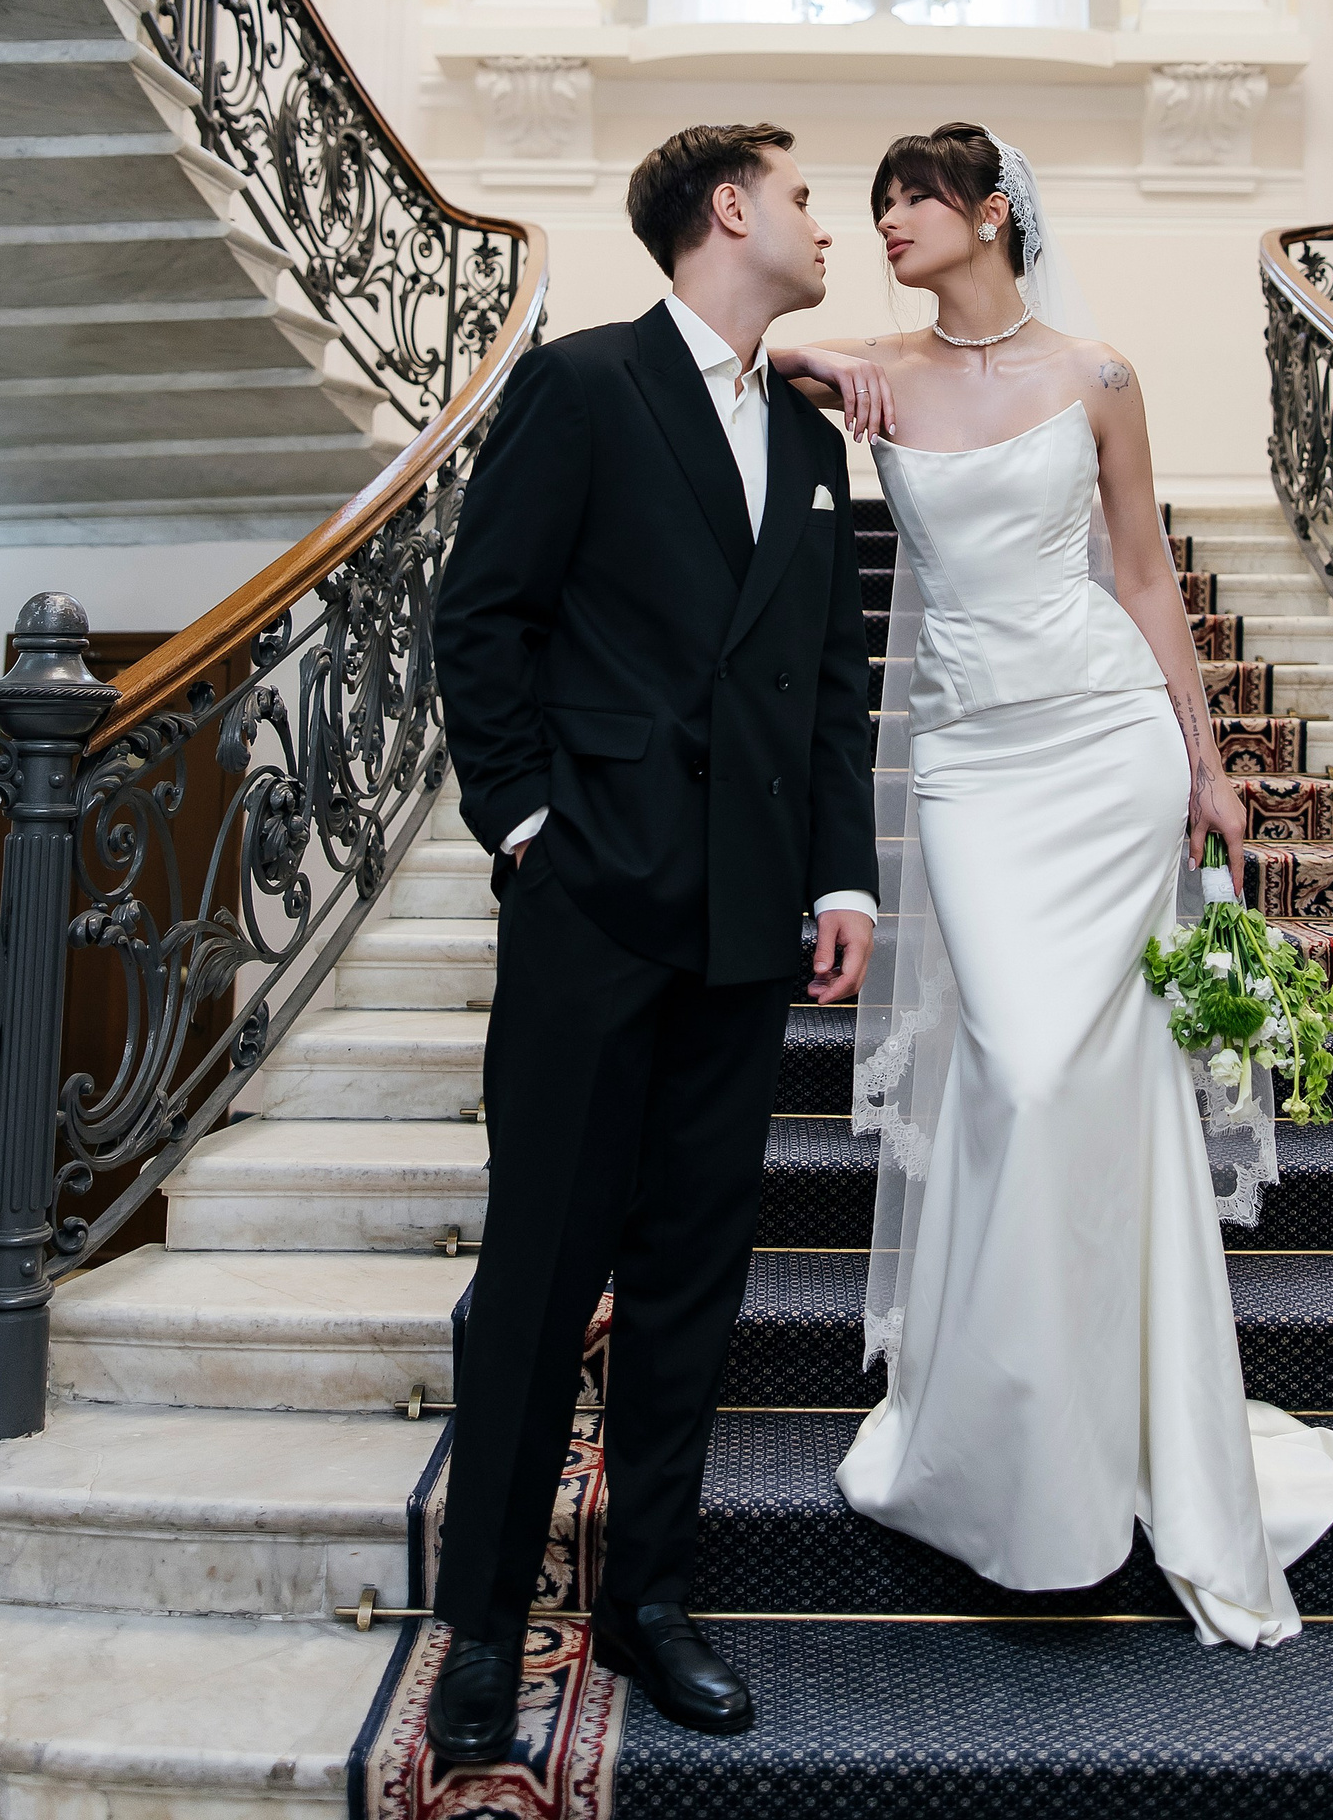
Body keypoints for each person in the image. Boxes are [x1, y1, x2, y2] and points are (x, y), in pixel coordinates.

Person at [773, 121, 1333, 1645]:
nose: (886, 223)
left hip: (1108, 744)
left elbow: (1145, 574)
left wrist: (1208, 761)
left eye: (911, 200)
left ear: (991, 214)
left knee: (1087, 1085)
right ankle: (1000, 1430)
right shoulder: (878, 370)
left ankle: (1111, 1424)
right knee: (1017, 1074)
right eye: (877, 203)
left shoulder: (1099, 375)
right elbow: (758, 355)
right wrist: (821, 362)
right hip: (972, 766)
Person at [423, 122, 879, 1768]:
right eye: (806, 197)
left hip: (749, 922)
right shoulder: (584, 384)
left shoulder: (814, 442)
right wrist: (526, 828)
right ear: (731, 210)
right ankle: (485, 1629)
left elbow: (830, 684)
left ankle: (649, 1601)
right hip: (594, 905)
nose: (827, 224)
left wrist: (844, 882)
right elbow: (482, 618)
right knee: (541, 1274)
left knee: (694, 1278)